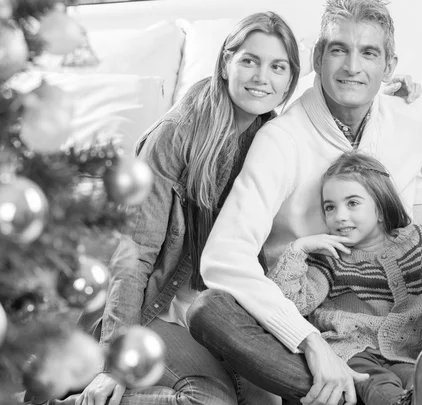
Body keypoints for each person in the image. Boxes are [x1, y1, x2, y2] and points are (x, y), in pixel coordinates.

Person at [187, 1, 422, 404]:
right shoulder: (281, 139)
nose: (352, 66)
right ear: (317, 57)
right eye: (339, 49)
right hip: (305, 323)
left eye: (369, 53)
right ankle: (355, 388)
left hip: (395, 329)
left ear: (388, 66)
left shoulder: (407, 122)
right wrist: (310, 342)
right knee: (208, 310)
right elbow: (223, 257)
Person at [45, 11, 302, 405]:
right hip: (159, 305)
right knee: (211, 399)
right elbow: (135, 254)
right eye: (249, 60)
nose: (260, 77)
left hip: (218, 311)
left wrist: (389, 94)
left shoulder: (272, 139)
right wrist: (116, 360)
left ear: (289, 80)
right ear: (225, 63)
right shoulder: (175, 136)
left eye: (277, 66)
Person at [267, 151, 422, 405]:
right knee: (376, 382)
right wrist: (299, 249)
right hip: (352, 348)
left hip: (405, 352)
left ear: (380, 208)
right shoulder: (329, 256)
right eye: (330, 207)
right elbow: (292, 304)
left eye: (352, 203)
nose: (340, 216)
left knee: (416, 379)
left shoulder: (417, 240)